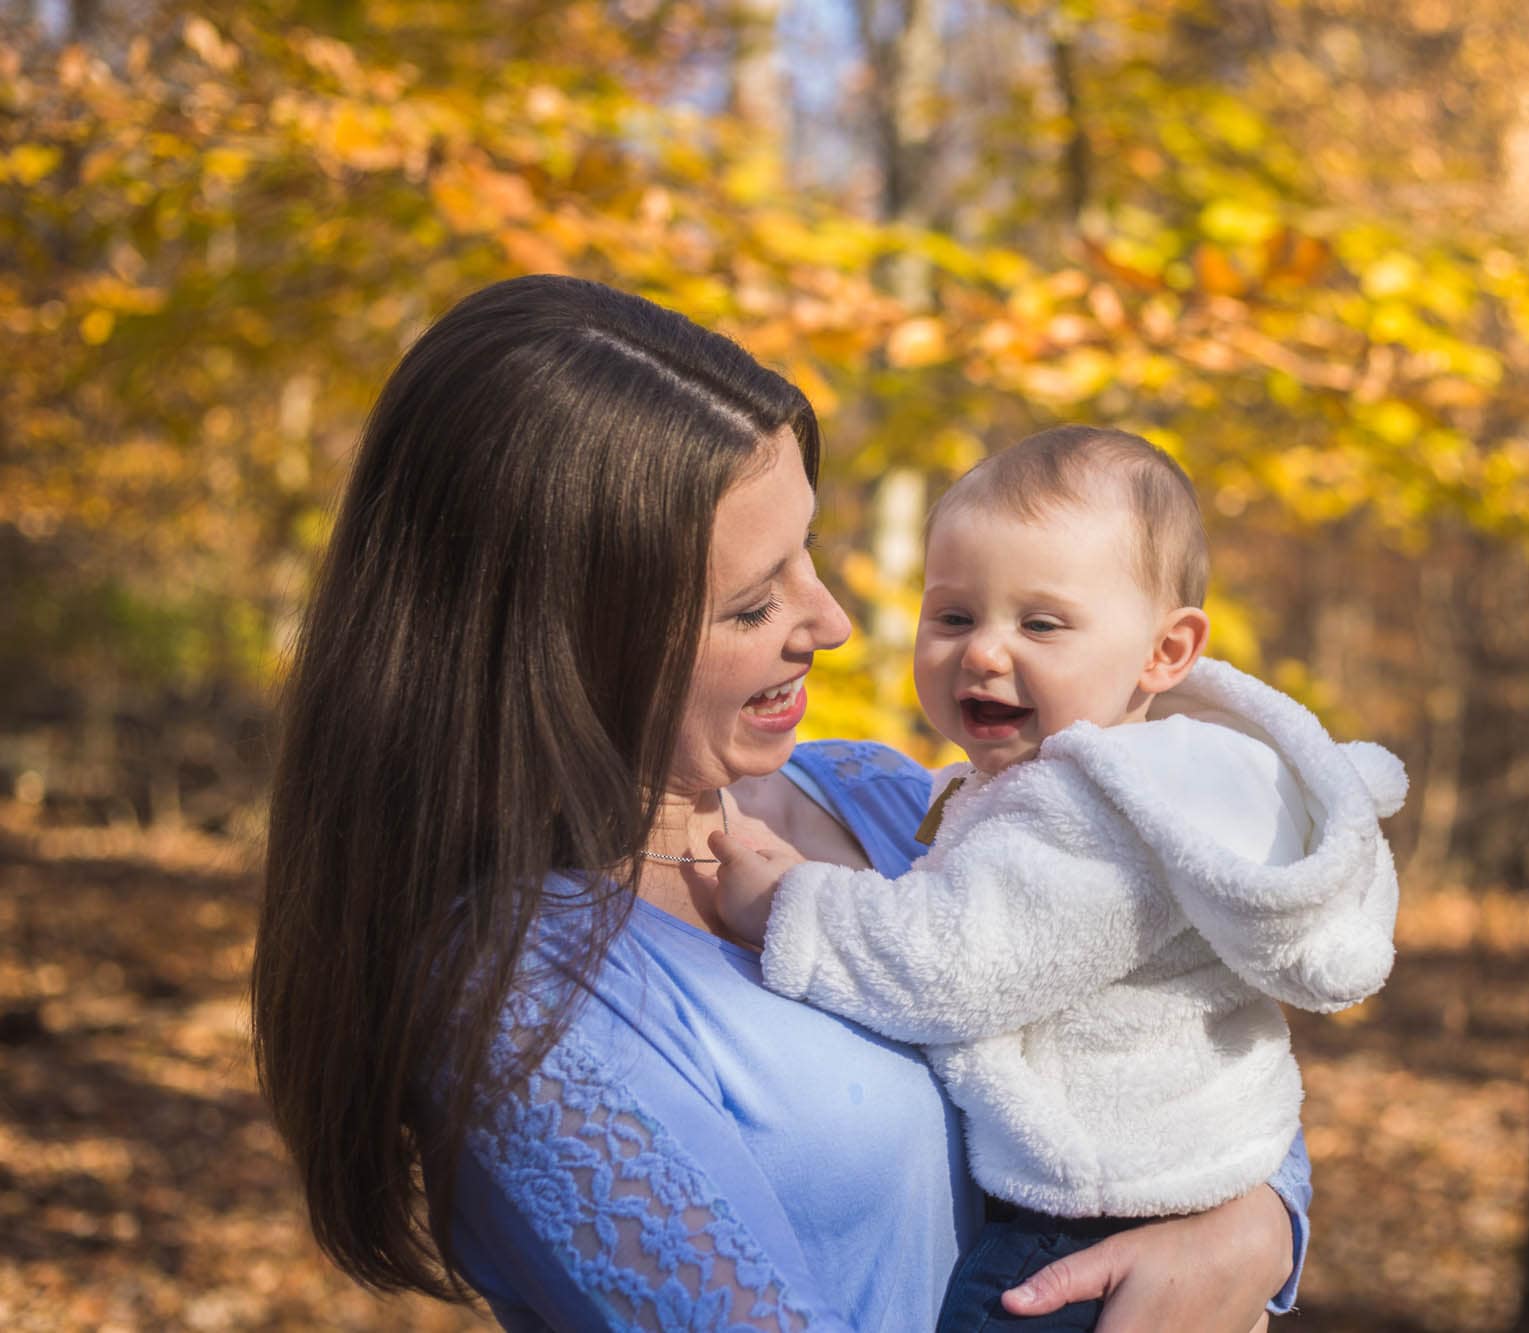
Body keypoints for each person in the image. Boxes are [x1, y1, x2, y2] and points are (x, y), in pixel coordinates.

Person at [250, 275, 1314, 1332]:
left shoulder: (894, 796)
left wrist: (1254, 1232)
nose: (833, 620)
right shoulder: (522, 1006)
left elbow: (1177, 1020)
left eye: (807, 553)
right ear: (560, 643)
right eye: (754, 602)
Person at [708, 426, 1405, 1331]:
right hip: (1147, 1189)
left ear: (1165, 652)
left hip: (1085, 1225)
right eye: (954, 617)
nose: (986, 653)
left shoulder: (1100, 812)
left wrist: (793, 906)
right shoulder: (1032, 785)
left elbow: (958, 964)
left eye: (1040, 623)